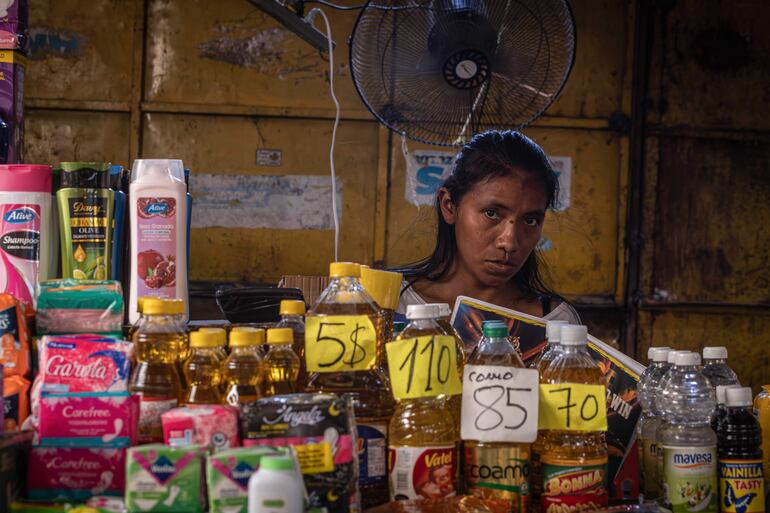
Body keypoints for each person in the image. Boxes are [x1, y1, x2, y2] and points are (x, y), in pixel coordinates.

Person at [396, 130, 580, 324]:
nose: (509, 243)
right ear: (449, 206)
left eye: (530, 221)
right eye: (491, 213)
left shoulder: (555, 323)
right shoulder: (392, 303)